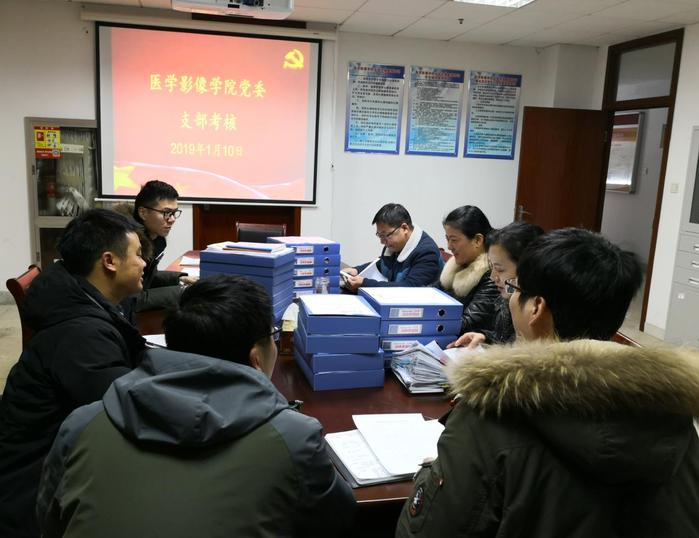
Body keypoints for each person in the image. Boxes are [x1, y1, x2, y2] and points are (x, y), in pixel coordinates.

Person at [396, 228, 699, 537]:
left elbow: (423, 531)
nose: (510, 298)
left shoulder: (490, 413)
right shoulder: (674, 412)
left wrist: (432, 475)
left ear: (536, 308)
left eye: (514, 288)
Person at [38, 275, 357, 538]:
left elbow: (49, 521)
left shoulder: (83, 423)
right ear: (255, 358)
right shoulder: (294, 438)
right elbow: (337, 521)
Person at [0, 209, 146, 538]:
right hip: (33, 498)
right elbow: (128, 411)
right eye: (138, 254)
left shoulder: (80, 302)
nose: (143, 263)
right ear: (109, 261)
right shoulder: (81, 335)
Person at [448, 221, 543, 349]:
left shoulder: (538, 312)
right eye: (492, 267)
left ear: (527, 269)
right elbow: (503, 340)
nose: (493, 277)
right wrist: (485, 338)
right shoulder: (505, 298)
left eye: (500, 269)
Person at [128, 179, 197, 312]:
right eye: (166, 213)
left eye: (174, 213)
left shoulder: (156, 239)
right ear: (143, 213)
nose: (172, 219)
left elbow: (147, 278)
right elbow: (130, 300)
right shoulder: (126, 243)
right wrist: (183, 292)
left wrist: (179, 279)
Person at [344, 203, 442, 291]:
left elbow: (411, 289)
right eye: (380, 235)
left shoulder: (427, 252)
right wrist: (357, 270)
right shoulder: (394, 246)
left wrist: (365, 284)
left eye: (386, 235)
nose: (382, 242)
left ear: (404, 228)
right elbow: (381, 264)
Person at [437, 205, 500, 335]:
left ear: (477, 240)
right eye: (447, 239)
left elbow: (468, 323)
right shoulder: (460, 263)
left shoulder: (492, 276)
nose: (449, 246)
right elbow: (432, 291)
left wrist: (426, 322)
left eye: (454, 240)